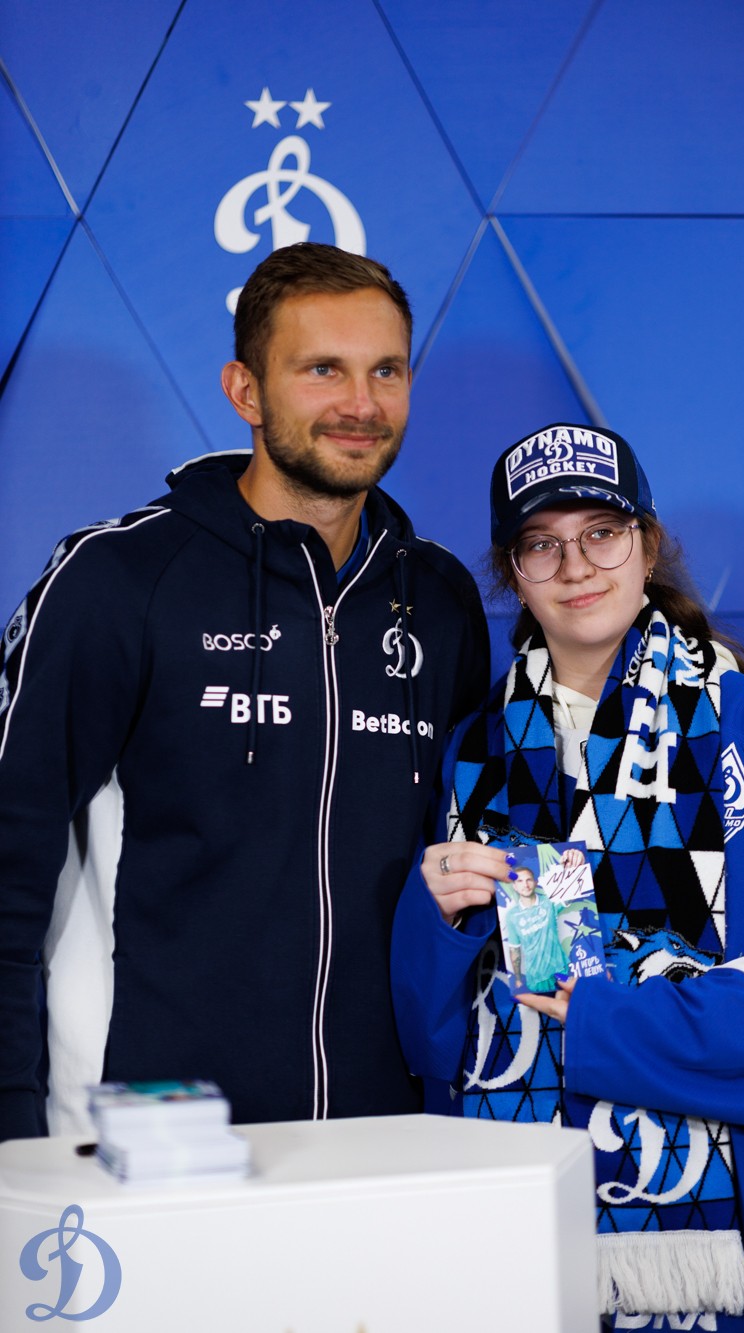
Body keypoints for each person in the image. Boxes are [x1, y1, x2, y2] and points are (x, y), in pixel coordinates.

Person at [391, 422, 744, 1330]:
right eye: (540, 544)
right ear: (511, 573)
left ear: (647, 547)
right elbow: (434, 1051)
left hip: (740, 1246)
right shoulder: (473, 756)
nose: (575, 566)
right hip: (522, 1235)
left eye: (601, 533)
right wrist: (436, 923)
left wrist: (617, 1021)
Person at [0, 242, 490, 1142]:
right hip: (153, 1143)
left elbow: (465, 863)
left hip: (389, 1141)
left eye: (385, 370)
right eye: (322, 369)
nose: (361, 404)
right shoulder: (119, 579)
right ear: (245, 391)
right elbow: (8, 861)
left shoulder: (439, 600)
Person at [504, 866, 566, 992]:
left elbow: (572, 891)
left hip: (560, 969)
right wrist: (518, 979)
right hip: (536, 977)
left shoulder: (549, 902)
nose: (525, 885)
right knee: (545, 1004)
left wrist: (571, 863)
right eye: (520, 881)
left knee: (571, 1000)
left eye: (529, 880)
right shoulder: (512, 916)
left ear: (535, 882)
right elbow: (514, 950)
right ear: (514, 886)